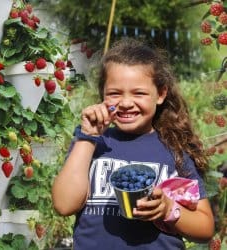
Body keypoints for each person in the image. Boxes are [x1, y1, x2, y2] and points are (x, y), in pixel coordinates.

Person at [52, 38, 214, 249]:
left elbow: (205, 228)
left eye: (139, 93)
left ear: (161, 94)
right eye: (114, 93)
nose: (126, 103)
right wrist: (87, 136)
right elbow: (64, 205)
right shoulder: (92, 142)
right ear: (103, 94)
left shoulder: (173, 149)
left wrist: (169, 210)